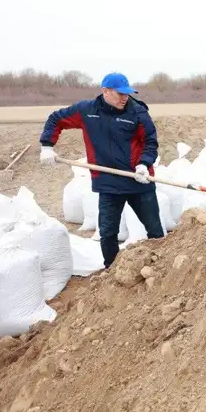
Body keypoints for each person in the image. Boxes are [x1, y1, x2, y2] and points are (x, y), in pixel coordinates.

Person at [38, 73, 163, 269]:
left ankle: (160, 269)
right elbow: (56, 119)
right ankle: (112, 271)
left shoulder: (138, 112)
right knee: (108, 233)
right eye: (120, 94)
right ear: (105, 91)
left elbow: (150, 142)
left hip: (138, 180)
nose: (125, 98)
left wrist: (144, 164)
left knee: (155, 230)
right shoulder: (87, 111)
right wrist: (47, 146)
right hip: (108, 183)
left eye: (127, 94)